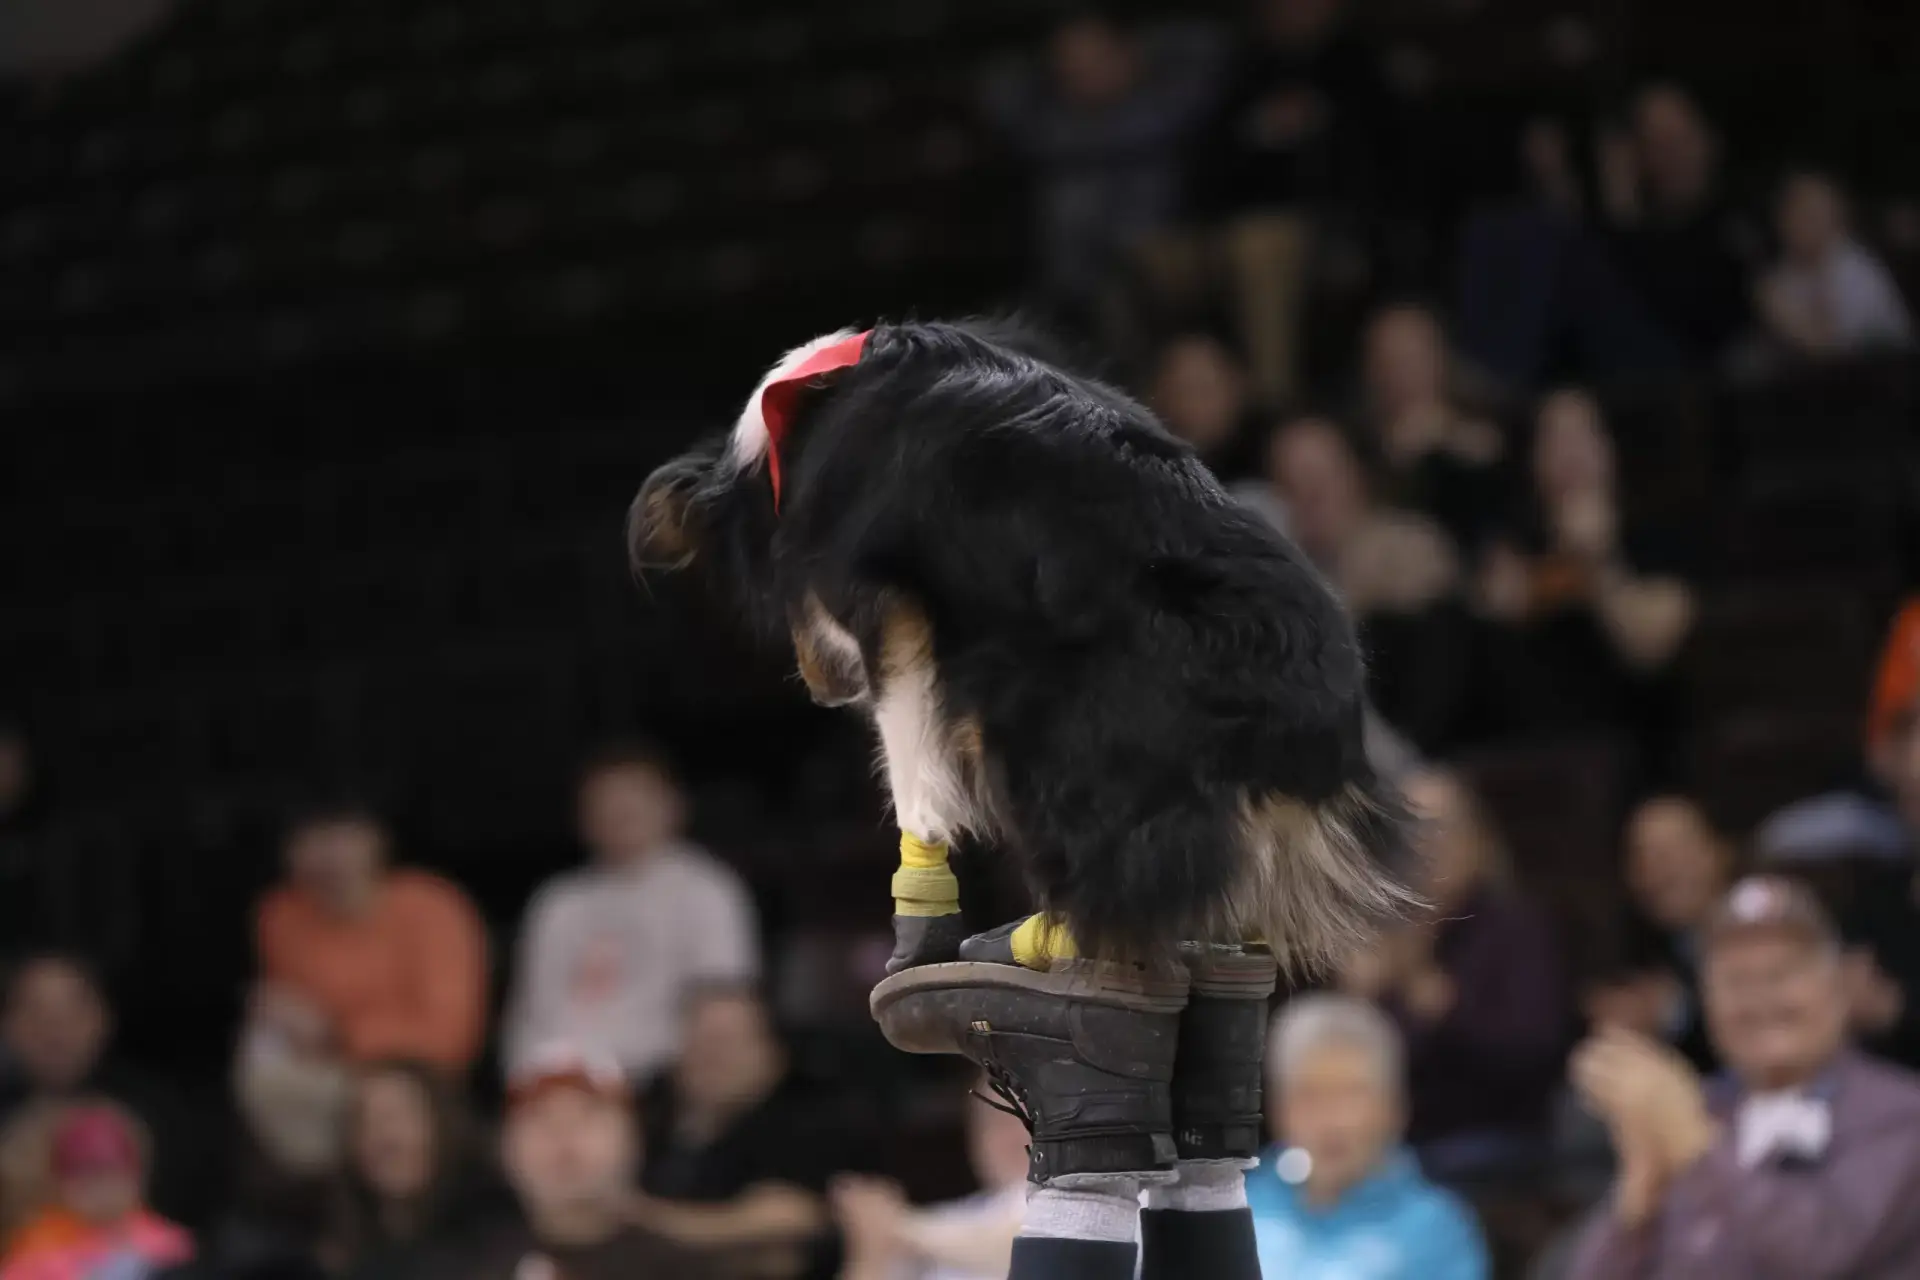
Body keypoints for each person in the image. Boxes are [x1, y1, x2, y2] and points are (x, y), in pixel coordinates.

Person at [1568, 875, 1920, 1277]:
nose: (1760, 1000)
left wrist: (1696, 1146)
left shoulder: (1901, 1115)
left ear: (1837, 987)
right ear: (1708, 1002)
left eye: (1780, 974)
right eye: (1736, 981)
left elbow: (1821, 1252)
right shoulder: (1703, 1106)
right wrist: (1637, 1202)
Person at [1341, 768, 1569, 1183]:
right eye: (1412, 832)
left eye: (1440, 829)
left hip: (1491, 1134)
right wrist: (1357, 1001)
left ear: (1476, 839)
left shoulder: (1515, 928)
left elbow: (1534, 1051)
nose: (1428, 845)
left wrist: (1447, 1010)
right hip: (1400, 1139)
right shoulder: (1393, 932)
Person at [502, 744, 758, 1083]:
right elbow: (528, 1016)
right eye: (605, 802)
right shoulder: (557, 902)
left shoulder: (708, 889)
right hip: (564, 1083)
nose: (620, 812)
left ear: (674, 805)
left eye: (634, 798)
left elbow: (722, 1005)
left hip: (663, 1080)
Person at [1475, 390, 1694, 761]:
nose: (1569, 453)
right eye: (1554, 439)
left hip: (1634, 748)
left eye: (1582, 435)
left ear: (1610, 449)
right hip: (1534, 750)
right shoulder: (1512, 546)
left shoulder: (1655, 537)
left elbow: (1649, 651)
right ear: (1533, 462)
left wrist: (1599, 562)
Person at [979, 10, 1221, 326]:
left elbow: (1210, 45)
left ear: (1129, 53)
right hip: (1071, 284)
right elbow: (996, 84)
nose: (1085, 74)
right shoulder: (1050, 127)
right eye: (1071, 66)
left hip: (1170, 261)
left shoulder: (1171, 107)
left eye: (1097, 59)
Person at [1258, 416, 1472, 752]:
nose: (1310, 496)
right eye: (1292, 484)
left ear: (1355, 475)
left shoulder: (1409, 542)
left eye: (1320, 478)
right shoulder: (1276, 574)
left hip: (1422, 736)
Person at [1247, 995, 1489, 1279]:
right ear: (1279, 1110)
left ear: (1395, 1109)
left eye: (1351, 1094)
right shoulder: (1240, 1206)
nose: (1330, 1121)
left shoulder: (1436, 1231)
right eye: (1308, 1094)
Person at [251, 803, 489, 1073]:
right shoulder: (281, 915)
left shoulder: (431, 907)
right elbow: (290, 1017)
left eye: (342, 835)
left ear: (377, 839)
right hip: (326, 1070)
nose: (328, 855)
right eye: (308, 838)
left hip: (415, 1074)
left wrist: (339, 1034)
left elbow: (451, 1038)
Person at [446, 1045, 717, 1279]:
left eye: (587, 1115)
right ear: (506, 1147)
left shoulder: (686, 1266)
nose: (563, 1135)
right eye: (540, 1117)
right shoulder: (466, 1264)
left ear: (632, 1138)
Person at [639, 986, 849, 1279]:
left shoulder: (805, 1125)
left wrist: (644, 1221)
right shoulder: (646, 1118)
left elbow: (792, 1218)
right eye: (700, 1039)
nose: (711, 1056)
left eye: (728, 1041)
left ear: (773, 1055)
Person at [0, 954, 208, 1230]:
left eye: (72, 1012)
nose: (55, 1031)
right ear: (8, 1025)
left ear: (104, 1018)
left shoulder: (156, 1113)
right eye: (35, 1013)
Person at [1585, 798, 1735, 1072]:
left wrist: (1674, 1013)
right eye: (1646, 856)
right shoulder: (1641, 948)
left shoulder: (1767, 928)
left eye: (1678, 850)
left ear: (1720, 852)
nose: (1663, 870)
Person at [832, 1077, 1030, 1280]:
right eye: (997, 1121)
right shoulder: (948, 1219)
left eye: (1028, 1120)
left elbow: (1023, 1249)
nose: (1015, 1136)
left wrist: (896, 1225)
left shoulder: (1047, 1205)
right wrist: (868, 1245)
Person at [322, 1062, 505, 1280]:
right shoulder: (336, 1251)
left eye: (399, 1116)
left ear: (441, 1125)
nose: (384, 1136)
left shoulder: (496, 1233)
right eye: (365, 1121)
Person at [1358, 303, 1508, 554]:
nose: (1401, 375)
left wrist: (1447, 434)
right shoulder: (1358, 446)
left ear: (1440, 360)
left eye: (1412, 360)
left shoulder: (1485, 423)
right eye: (1389, 363)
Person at [0, 1103, 193, 1280]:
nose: (103, 1193)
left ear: (137, 1176)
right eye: (87, 1181)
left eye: (113, 1177)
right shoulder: (38, 1251)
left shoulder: (169, 1246)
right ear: (61, 1184)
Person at [1755, 170, 1911, 361]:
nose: (1805, 223)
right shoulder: (1781, 275)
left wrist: (1783, 315)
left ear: (1836, 217)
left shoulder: (1856, 266)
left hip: (1886, 369)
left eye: (1815, 213)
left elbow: (1833, 348)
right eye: (1797, 211)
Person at [1145, 333, 1264, 483]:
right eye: (1176, 392)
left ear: (1237, 387)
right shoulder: (1147, 464)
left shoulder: (1268, 467)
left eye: (1202, 391)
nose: (1187, 407)